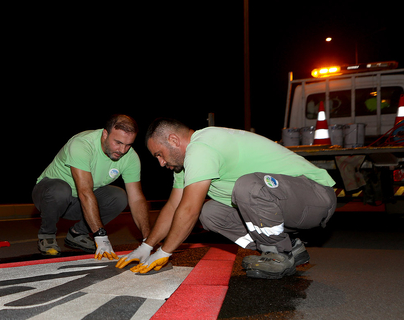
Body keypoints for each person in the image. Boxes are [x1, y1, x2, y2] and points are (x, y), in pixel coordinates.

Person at [117, 118, 336, 279]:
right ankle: (288, 248)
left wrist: (164, 252)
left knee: (247, 186)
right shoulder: (185, 166)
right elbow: (174, 206)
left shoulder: (202, 146)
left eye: (159, 154)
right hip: (286, 205)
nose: (161, 164)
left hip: (315, 195)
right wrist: (147, 247)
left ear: (173, 140)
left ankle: (278, 253)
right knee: (211, 213)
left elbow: (188, 210)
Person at [32, 114, 151, 258]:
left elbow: (137, 199)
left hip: (79, 204)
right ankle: (47, 234)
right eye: (118, 142)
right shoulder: (82, 144)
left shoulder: (130, 157)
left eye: (128, 144)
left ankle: (77, 234)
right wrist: (101, 237)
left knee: (119, 197)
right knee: (60, 190)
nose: (122, 150)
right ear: (105, 134)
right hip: (50, 196)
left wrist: (148, 241)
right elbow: (84, 191)